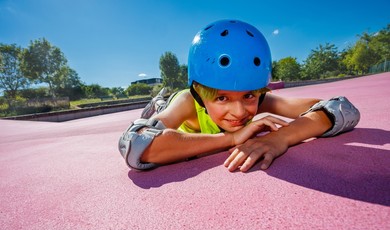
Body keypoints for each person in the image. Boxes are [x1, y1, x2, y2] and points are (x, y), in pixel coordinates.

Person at [118, 19, 360, 172]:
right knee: (158, 113)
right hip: (170, 106)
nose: (240, 112)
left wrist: (280, 138)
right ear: (200, 94)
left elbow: (341, 110)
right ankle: (158, 102)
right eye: (221, 98)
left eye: (248, 96)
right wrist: (231, 139)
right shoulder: (188, 102)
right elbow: (138, 145)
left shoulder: (264, 100)